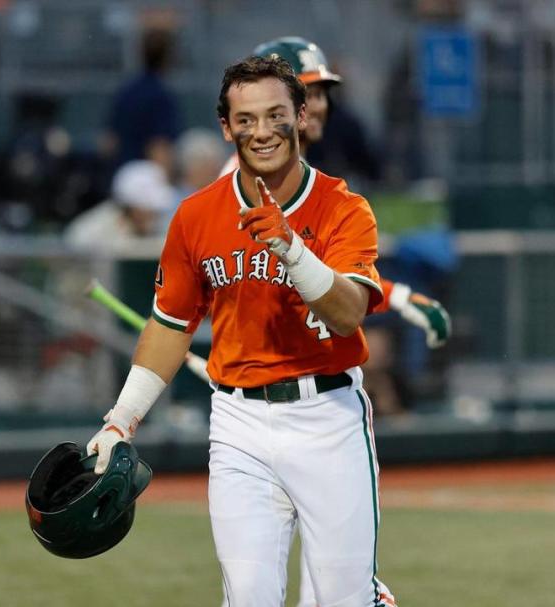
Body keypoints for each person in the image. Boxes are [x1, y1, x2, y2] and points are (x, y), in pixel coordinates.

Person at [86, 55, 397, 606]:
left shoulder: (344, 209)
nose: (261, 131)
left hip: (328, 420)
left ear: (301, 116)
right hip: (239, 424)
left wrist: (292, 249)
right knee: (248, 596)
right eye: (245, 119)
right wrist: (120, 421)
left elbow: (348, 313)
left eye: (275, 115)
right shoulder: (196, 215)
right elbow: (170, 325)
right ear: (226, 127)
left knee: (343, 599)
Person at [224, 37, 451, 359]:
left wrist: (395, 296)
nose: (317, 106)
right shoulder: (252, 179)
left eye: (319, 94)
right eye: (304, 95)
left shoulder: (307, 179)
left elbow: (327, 274)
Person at [104, 27, 182, 175]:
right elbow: (159, 146)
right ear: (168, 57)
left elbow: (108, 142)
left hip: (121, 176)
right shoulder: (161, 96)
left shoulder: (126, 91)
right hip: (146, 180)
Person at [64, 159, 175, 247]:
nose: (152, 215)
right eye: (146, 209)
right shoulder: (93, 229)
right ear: (129, 206)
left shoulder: (161, 224)